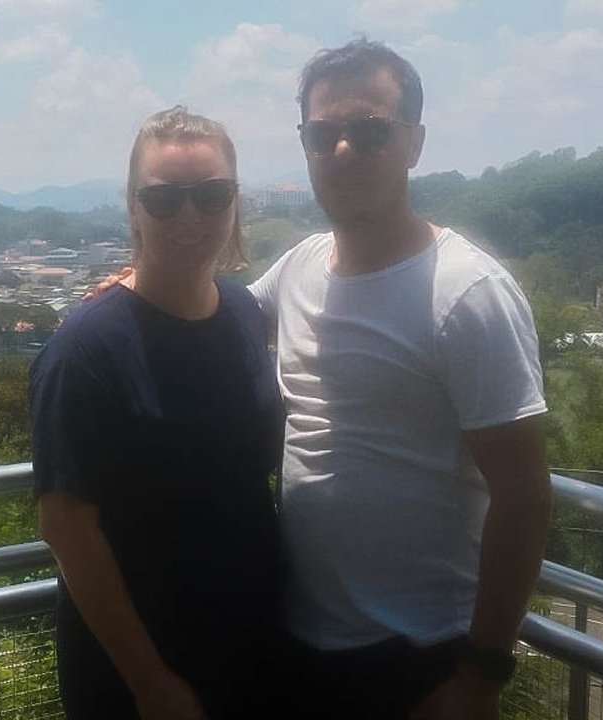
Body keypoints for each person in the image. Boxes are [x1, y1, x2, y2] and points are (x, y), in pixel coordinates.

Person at [93, 40, 551, 719]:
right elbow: (213, 311)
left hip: (419, 654)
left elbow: (523, 496)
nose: (343, 150)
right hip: (297, 643)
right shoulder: (302, 267)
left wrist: (481, 677)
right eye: (322, 134)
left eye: (370, 131)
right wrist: (137, 290)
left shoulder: (467, 293)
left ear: (414, 143)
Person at [30, 106, 286, 719]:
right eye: (165, 200)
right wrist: (150, 682)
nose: (190, 216)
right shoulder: (85, 351)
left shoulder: (244, 313)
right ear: (133, 207)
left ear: (235, 201)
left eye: (212, 195)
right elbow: (67, 530)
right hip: (141, 672)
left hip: (255, 645)